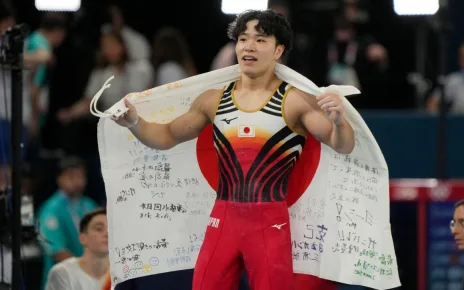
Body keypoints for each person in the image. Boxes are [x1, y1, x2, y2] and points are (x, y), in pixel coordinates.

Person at [112, 9, 355, 290]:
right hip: (223, 220)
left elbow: (343, 145)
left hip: (269, 224)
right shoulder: (213, 100)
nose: (248, 46)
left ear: (278, 50)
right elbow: (166, 135)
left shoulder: (295, 101)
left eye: (260, 40)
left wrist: (339, 121)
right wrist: (133, 122)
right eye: (242, 39)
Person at [37, 156, 99, 289]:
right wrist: (85, 271)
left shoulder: (89, 204)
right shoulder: (50, 210)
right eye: (71, 177)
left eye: (80, 177)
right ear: (59, 179)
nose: (77, 182)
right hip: (62, 281)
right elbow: (57, 251)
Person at [45, 208, 109, 290]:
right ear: (83, 238)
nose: (107, 234)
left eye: (111, 229)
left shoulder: (122, 275)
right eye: (99, 229)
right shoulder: (63, 273)